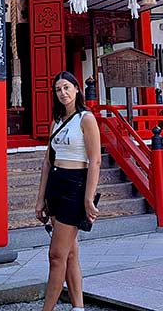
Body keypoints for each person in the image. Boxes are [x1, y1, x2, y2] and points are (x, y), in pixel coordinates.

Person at [35, 71, 101, 311]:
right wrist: (40, 199)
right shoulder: (57, 121)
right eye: (58, 89)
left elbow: (94, 161)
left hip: (75, 185)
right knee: (70, 254)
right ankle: (78, 308)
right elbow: (46, 161)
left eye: (66, 87)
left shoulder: (86, 119)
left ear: (76, 89)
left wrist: (88, 199)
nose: (62, 93)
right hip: (56, 183)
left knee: (56, 256)